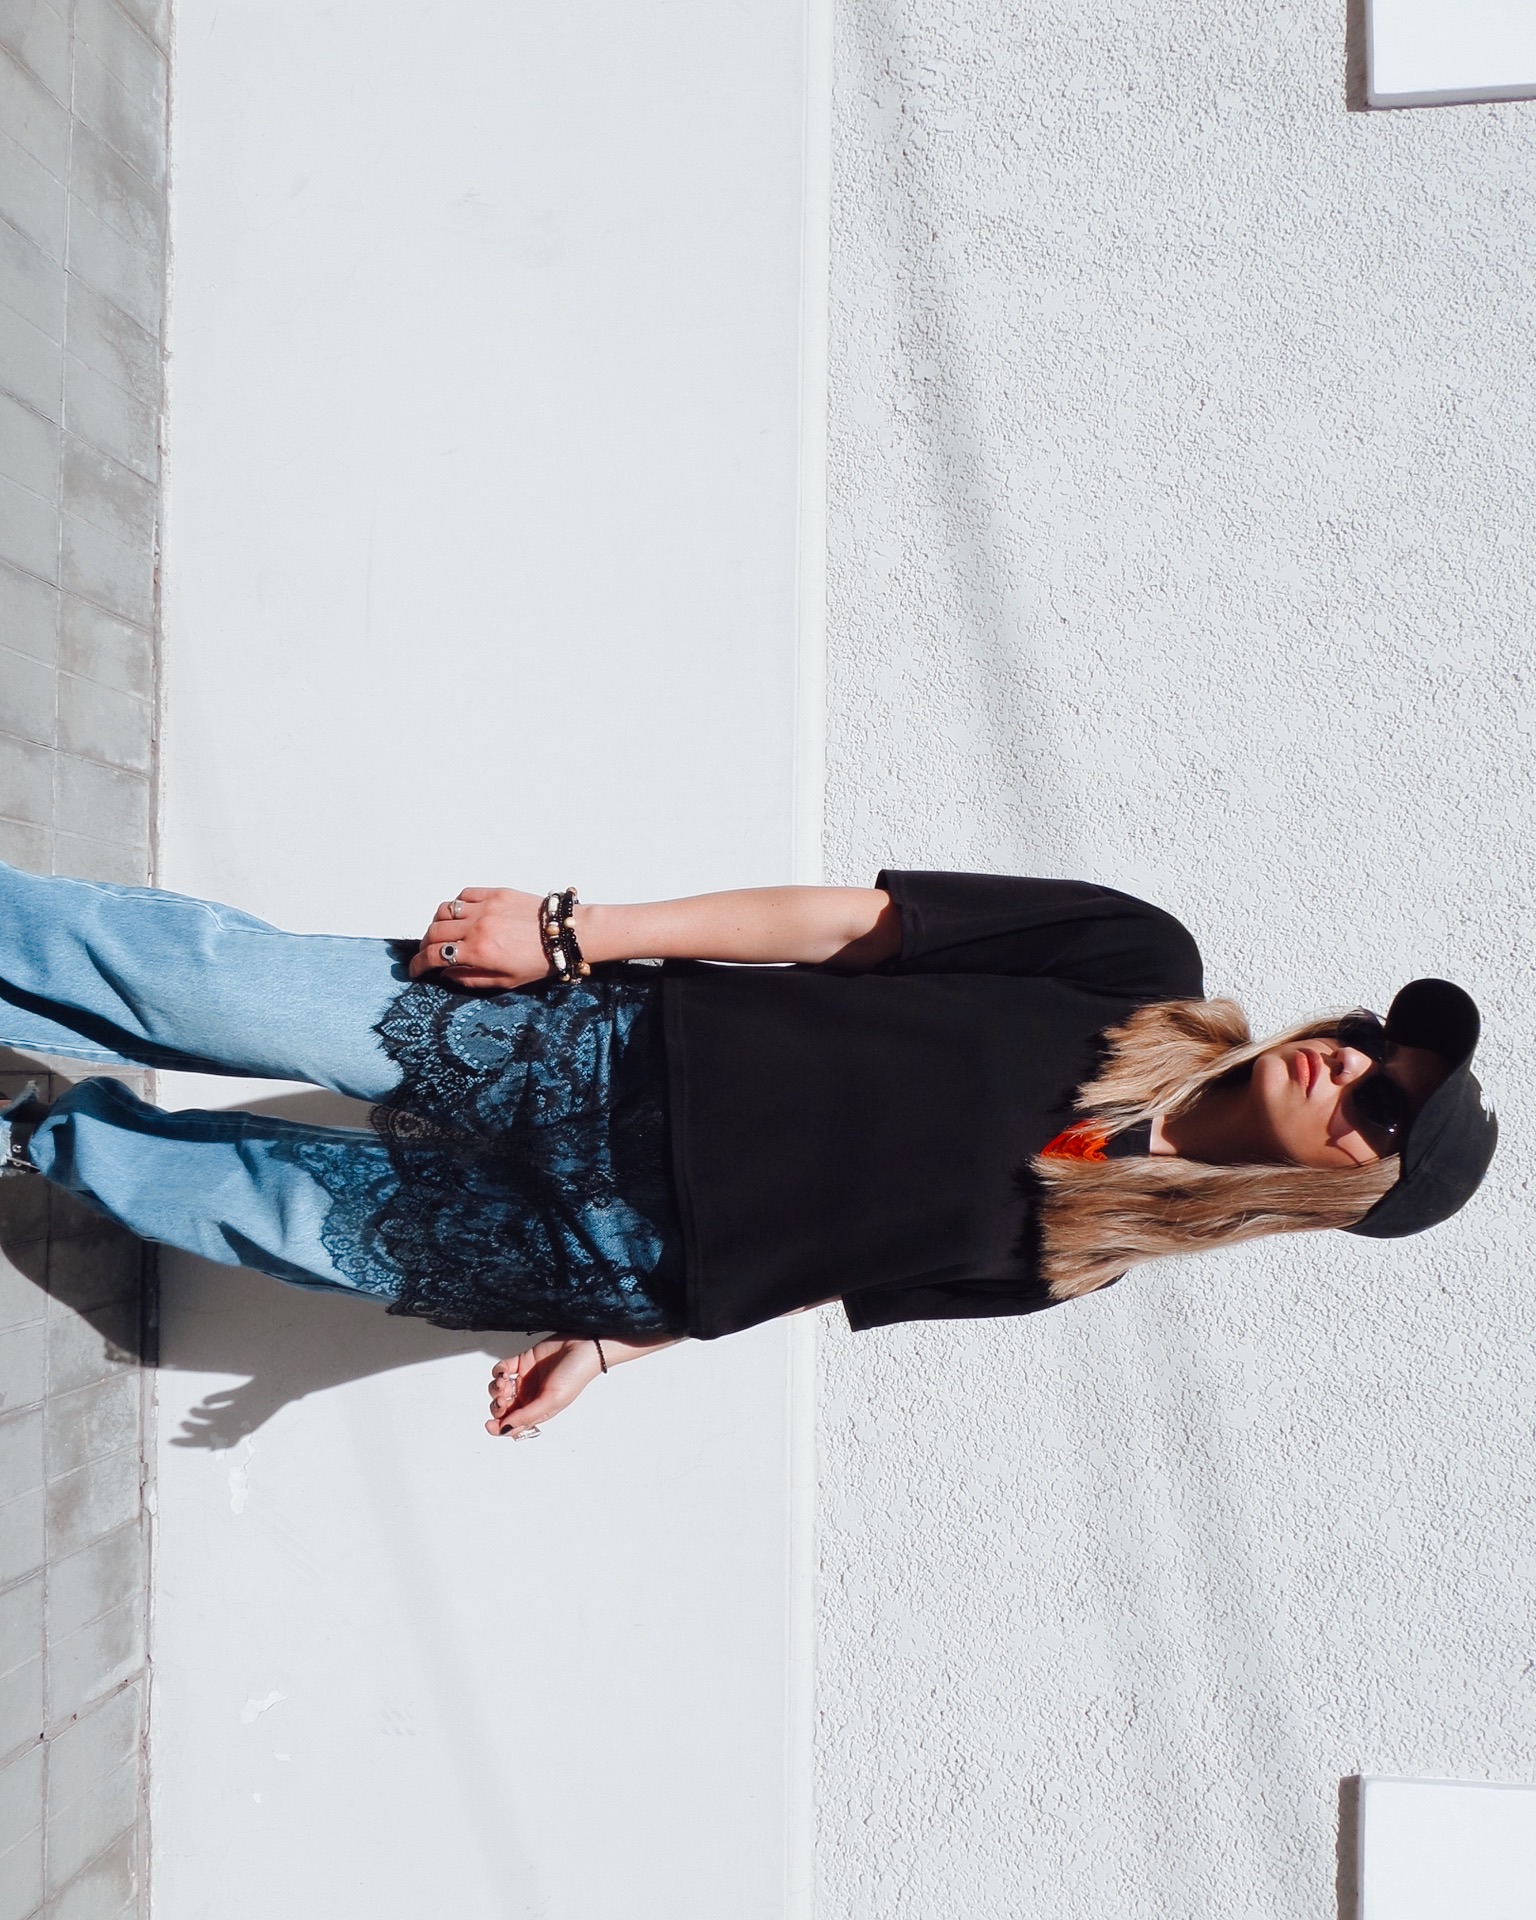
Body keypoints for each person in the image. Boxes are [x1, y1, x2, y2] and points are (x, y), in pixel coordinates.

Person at [0, 863, 1497, 1440]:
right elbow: (856, 927)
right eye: (1379, 1046)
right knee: (215, 986)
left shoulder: (1082, 1262)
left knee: (233, 1200)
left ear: (1344, 1188)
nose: (1354, 1070)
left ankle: (24, 1120)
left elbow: (817, 1274)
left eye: (1382, 1112)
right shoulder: (1138, 964)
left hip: (610, 1261)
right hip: (595, 1048)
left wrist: (610, 1350)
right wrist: (577, 933)